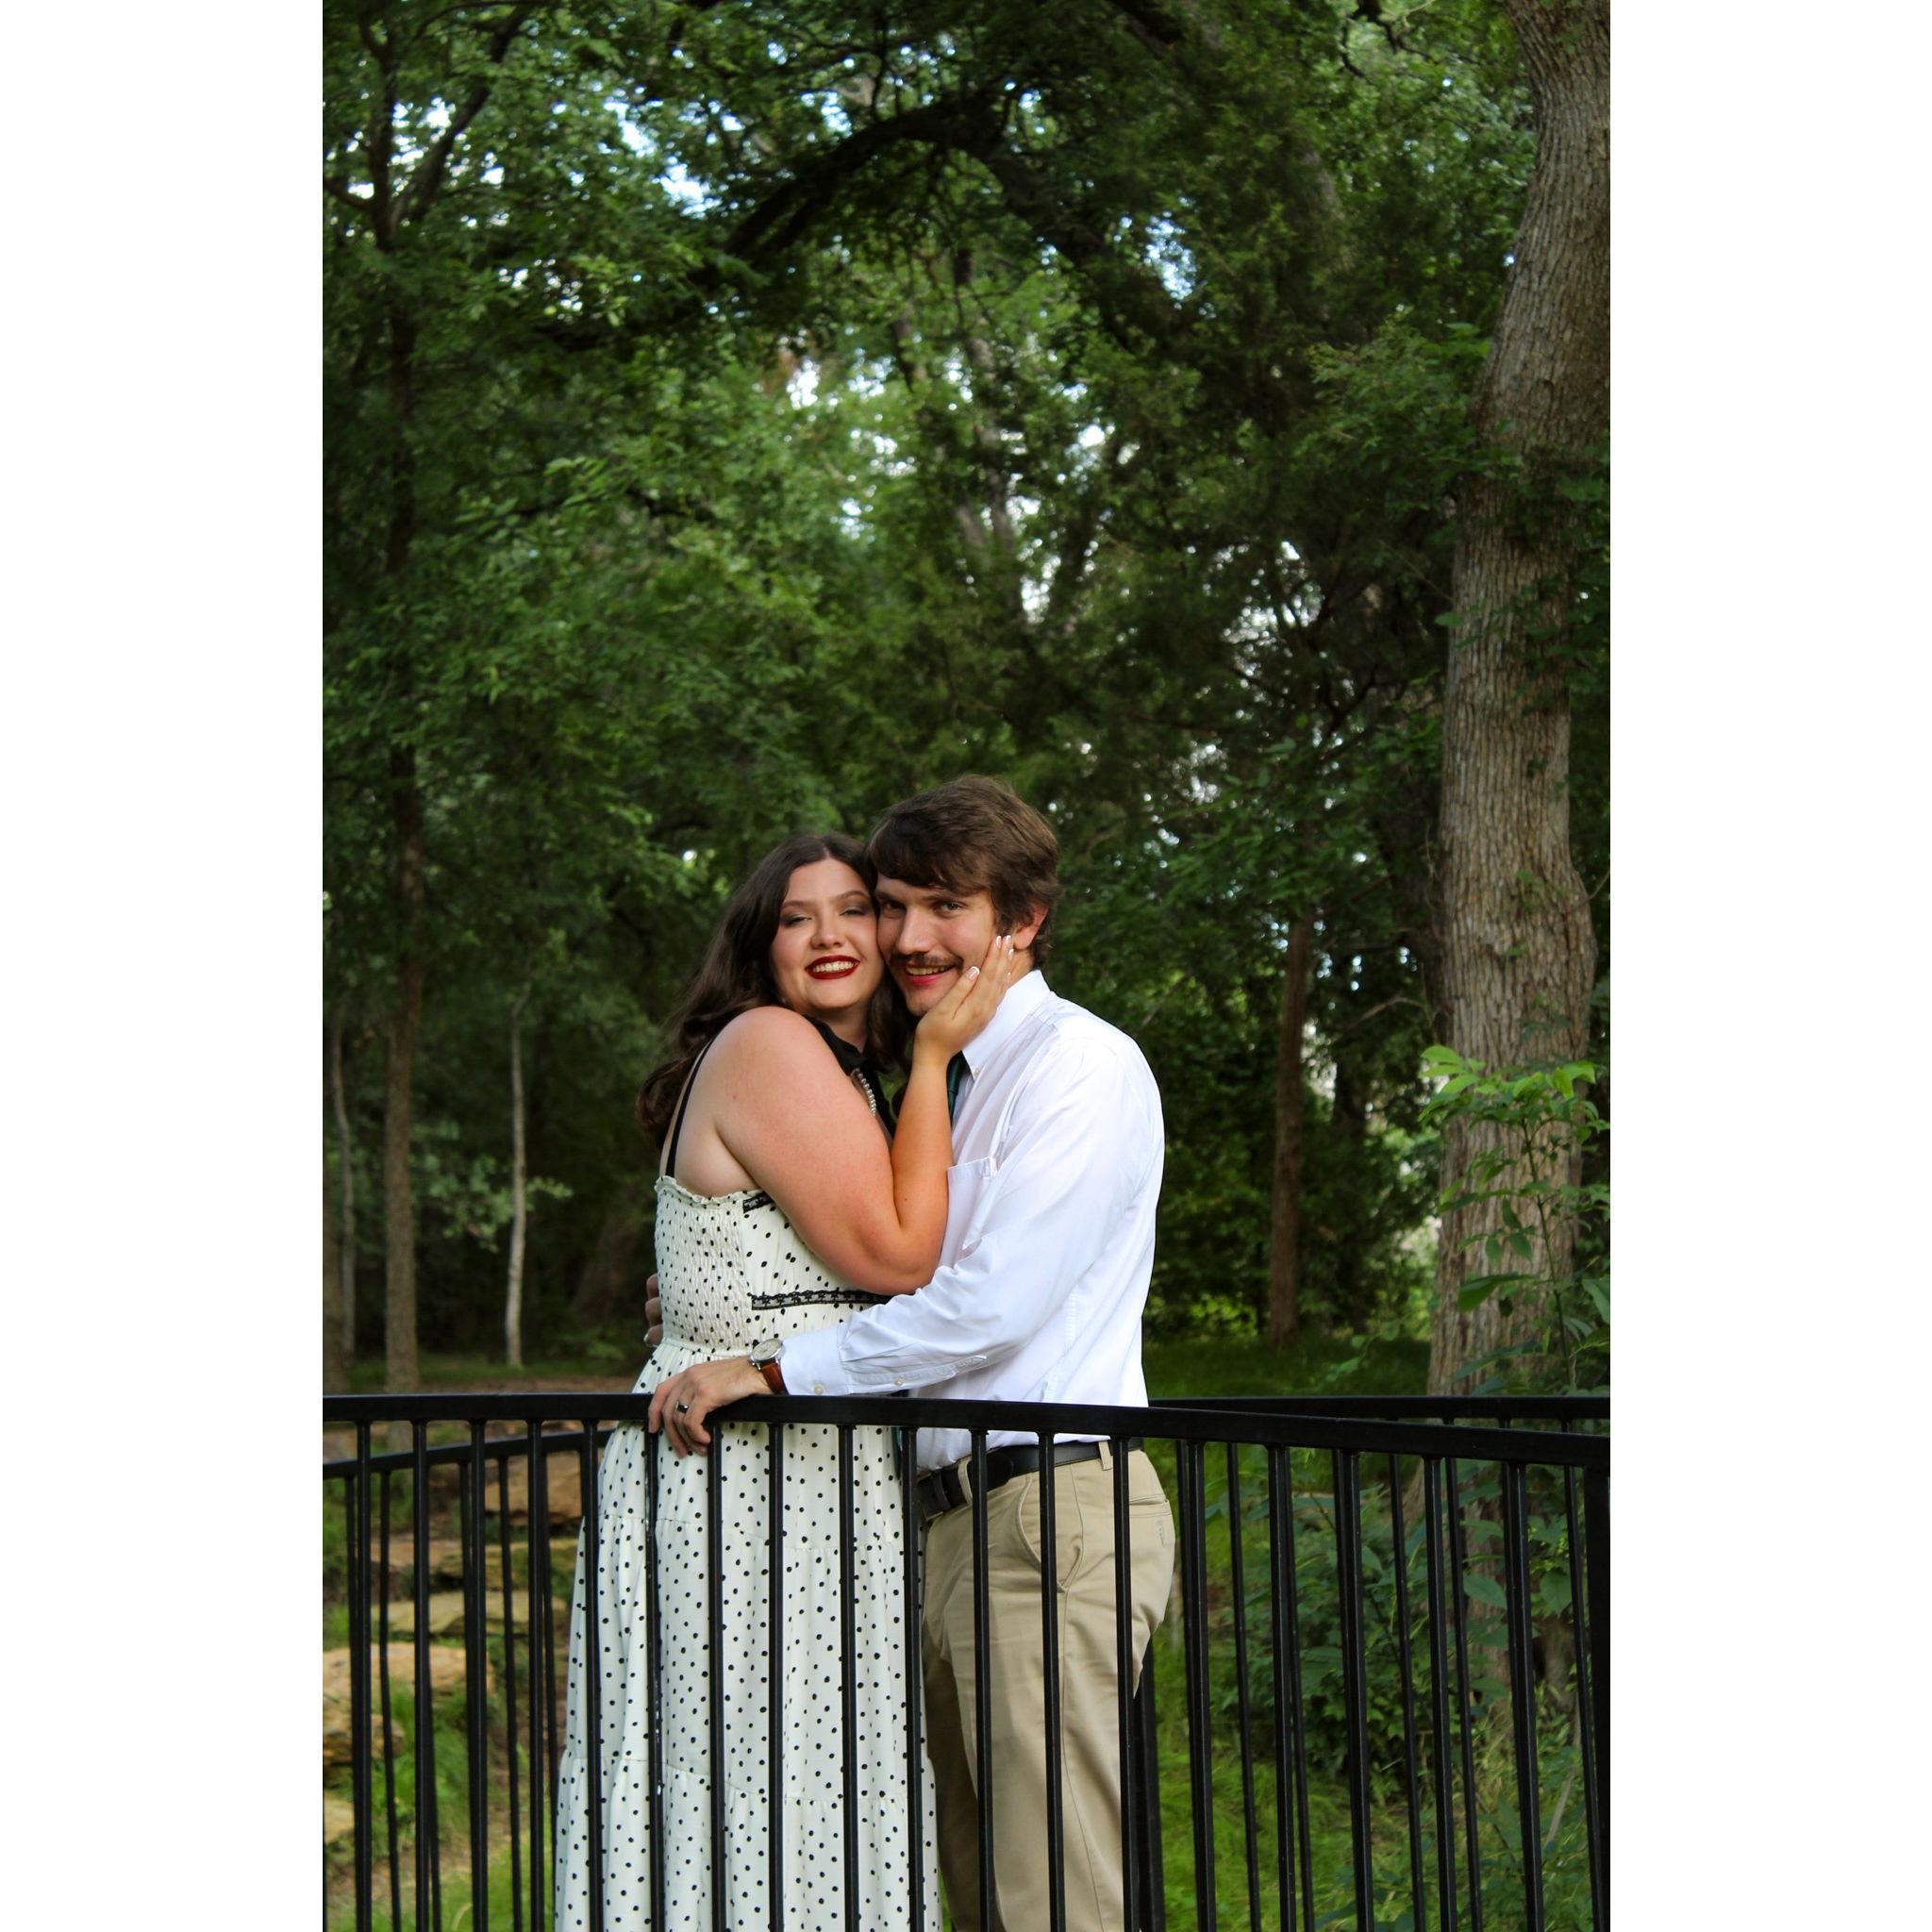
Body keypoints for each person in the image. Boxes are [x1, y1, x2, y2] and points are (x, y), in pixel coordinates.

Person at [649, 777, 1175, 1932]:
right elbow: (893, 1264)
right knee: (972, 1892)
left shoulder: (1077, 1066)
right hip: (943, 1528)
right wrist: (716, 1294)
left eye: (946, 905)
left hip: (1047, 1513)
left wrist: (774, 1369)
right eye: (895, 903)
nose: (907, 936)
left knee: (1057, 1893)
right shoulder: (948, 1081)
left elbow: (985, 1307)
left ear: (1023, 919)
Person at [555, 830, 1013, 1932]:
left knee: (807, 1768)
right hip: (744, 1482)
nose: (827, 935)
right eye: (794, 917)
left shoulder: (838, 1071)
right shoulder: (770, 1041)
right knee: (749, 1766)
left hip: (814, 1477)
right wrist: (929, 1059)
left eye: (852, 908)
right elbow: (896, 1256)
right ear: (758, 946)